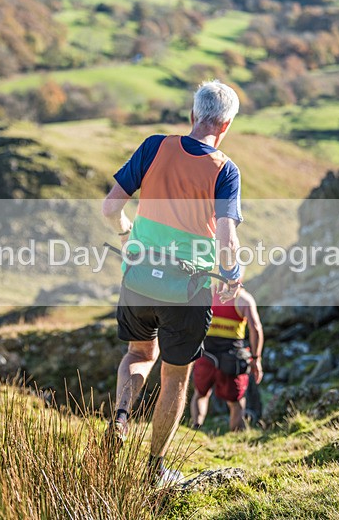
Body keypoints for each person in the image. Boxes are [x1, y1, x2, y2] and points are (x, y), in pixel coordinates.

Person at [101, 80, 245, 486]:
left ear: (193, 114)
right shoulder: (225, 170)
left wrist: (126, 234)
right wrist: (232, 274)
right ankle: (154, 469)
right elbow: (227, 240)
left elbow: (110, 207)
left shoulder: (154, 147)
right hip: (187, 289)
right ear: (226, 125)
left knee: (138, 353)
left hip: (138, 279)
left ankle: (121, 417)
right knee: (176, 377)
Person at [190, 286, 263, 432]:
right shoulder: (244, 299)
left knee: (200, 394)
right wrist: (256, 359)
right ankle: (235, 436)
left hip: (206, 354)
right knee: (236, 401)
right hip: (232, 359)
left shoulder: (207, 292)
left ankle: (196, 429)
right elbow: (255, 328)